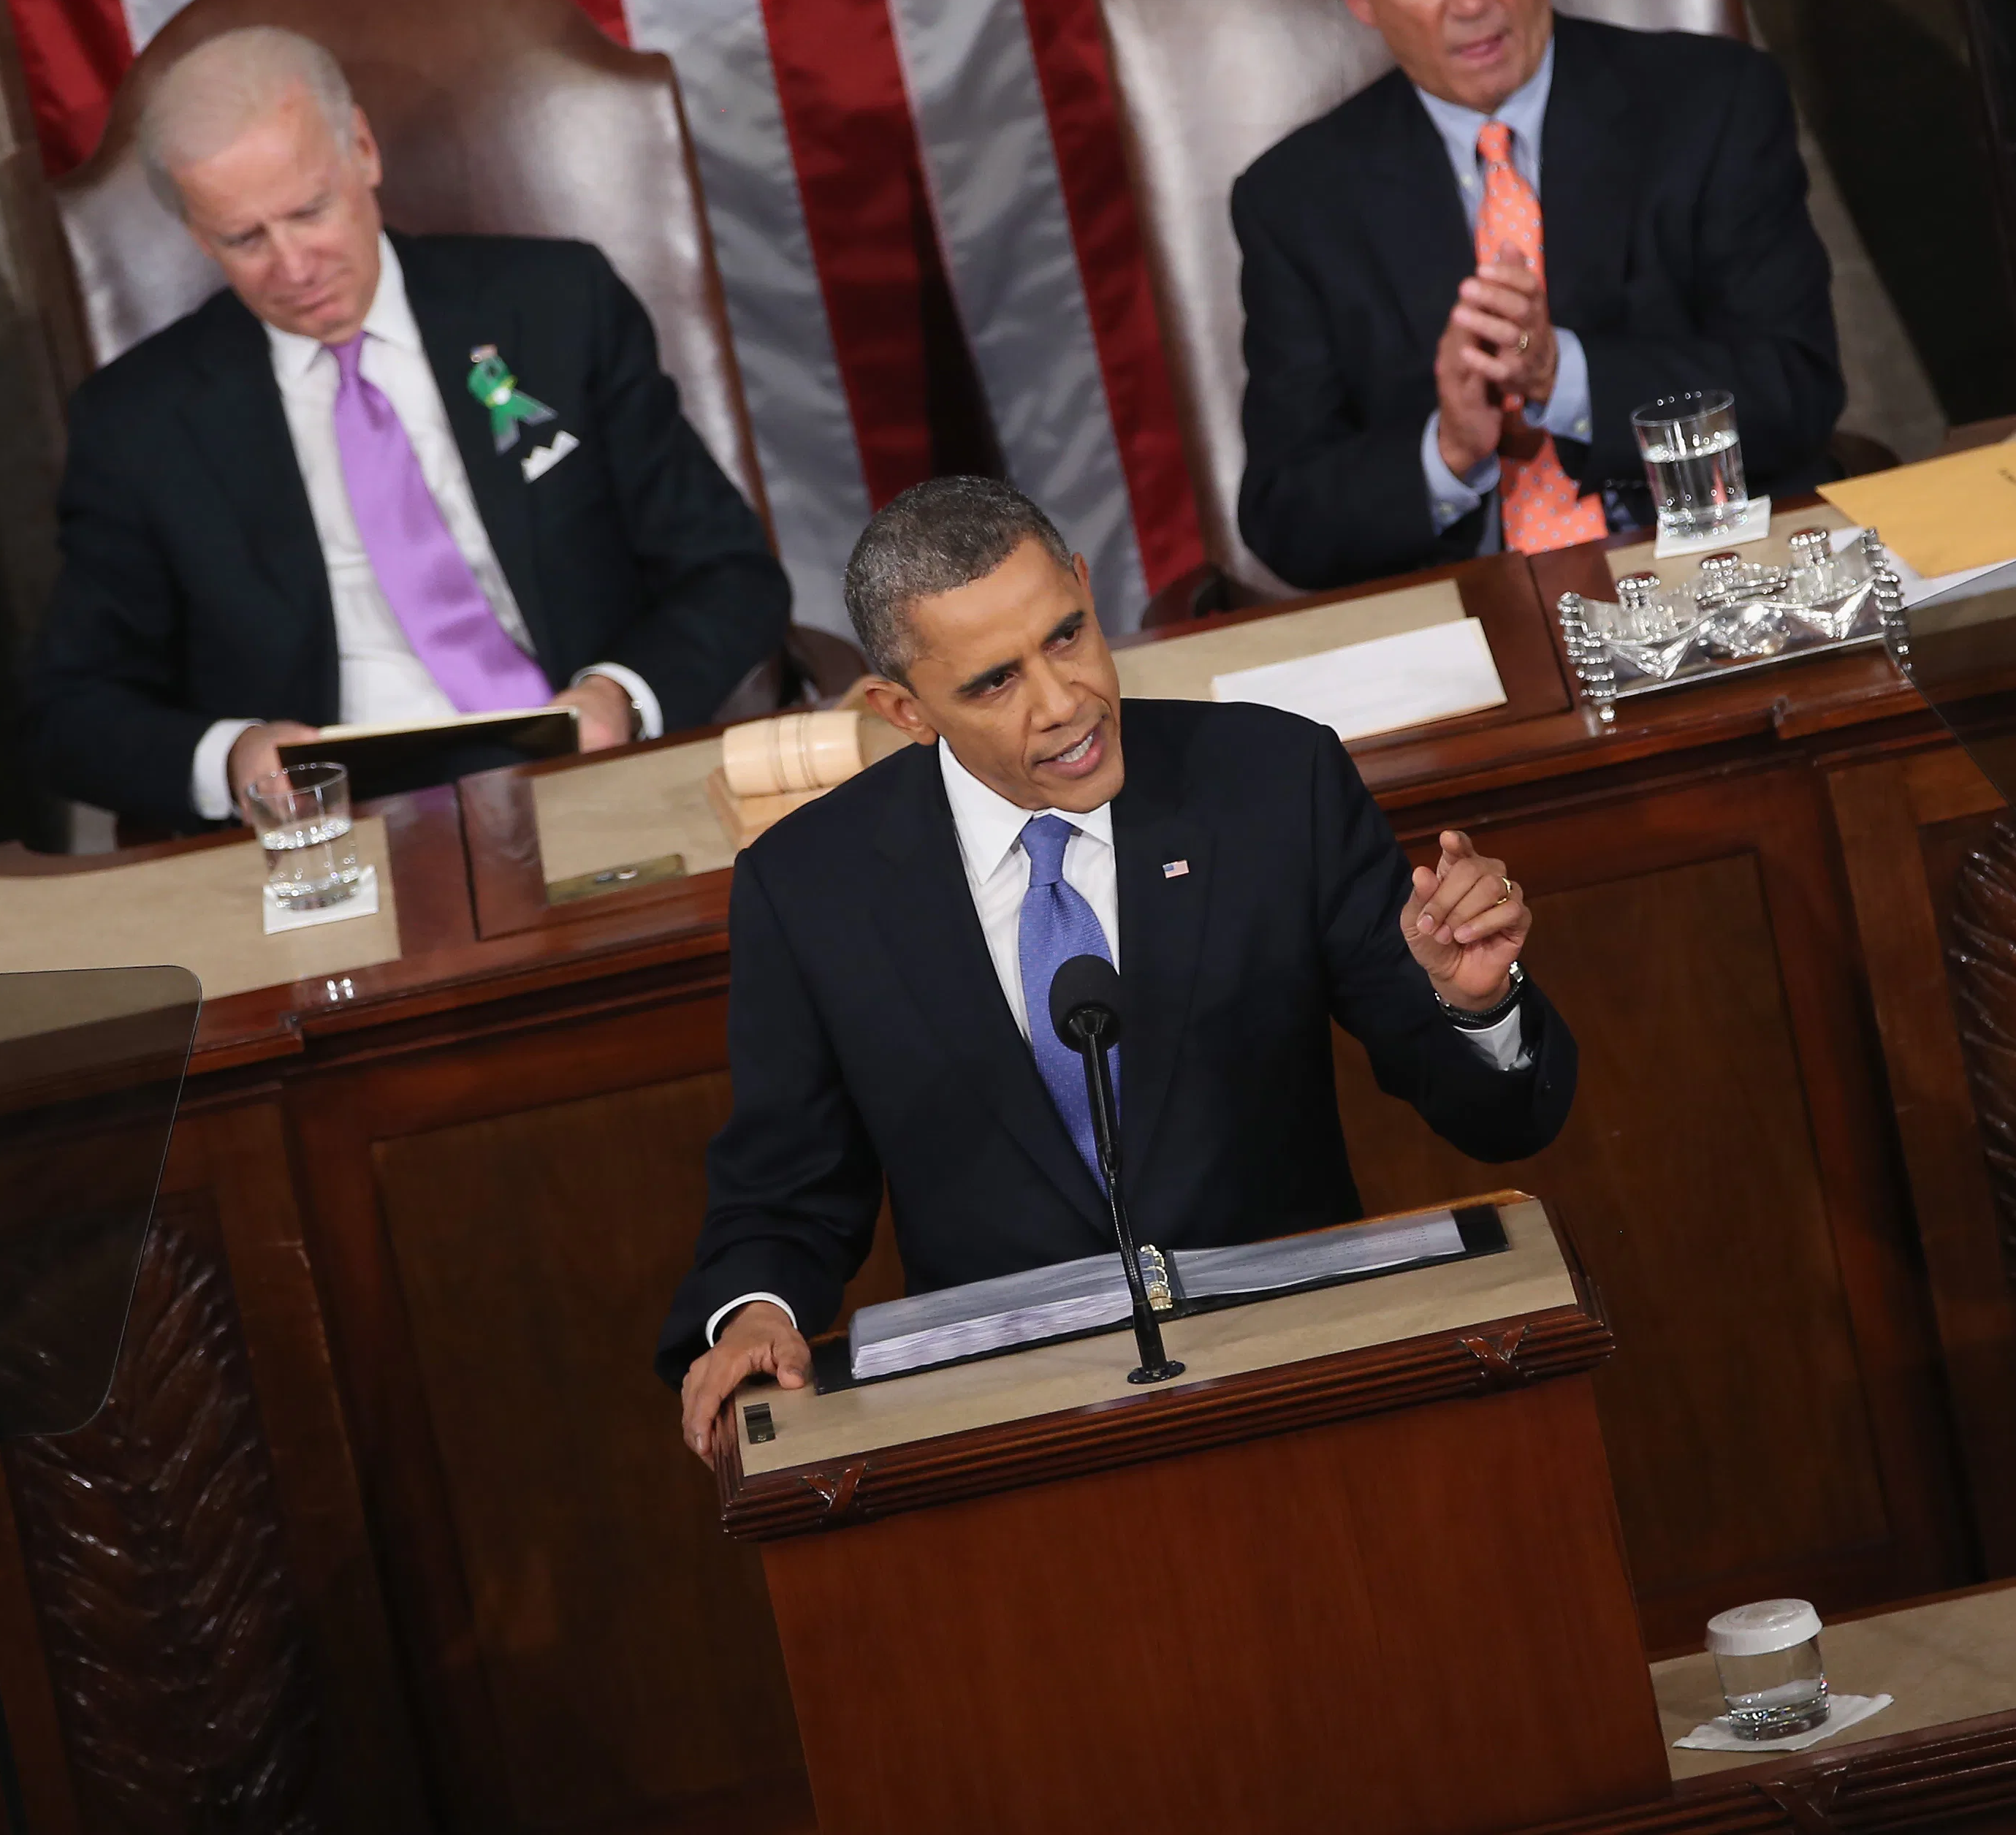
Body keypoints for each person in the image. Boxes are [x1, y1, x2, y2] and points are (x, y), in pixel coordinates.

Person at [661, 476, 1577, 1460]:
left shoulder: (1272, 783)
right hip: (1014, 1430)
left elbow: (1498, 1123)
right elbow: (785, 1188)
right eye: (994, 683)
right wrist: (754, 1313)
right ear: (904, 709)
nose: (1064, 703)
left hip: (1302, 1378)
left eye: (1066, 636)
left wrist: (1472, 1004)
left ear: (1086, 587)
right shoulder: (810, 890)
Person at [25, 26, 789, 829]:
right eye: (244, 239)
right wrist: (233, 756)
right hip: (332, 831)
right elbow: (69, 712)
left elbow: (730, 574)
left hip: (586, 781)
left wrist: (618, 699)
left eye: (310, 211)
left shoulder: (557, 307)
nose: (294, 268)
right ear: (194, 231)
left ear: (362, 151)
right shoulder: (138, 424)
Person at [1231, 0, 1846, 592]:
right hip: (1470, 618)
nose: (1471, 0)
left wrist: (1566, 380)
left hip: (1710, 577)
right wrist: (1448, 451)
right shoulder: (1296, 201)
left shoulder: (1712, 104)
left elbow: (1795, 388)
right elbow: (1285, 514)